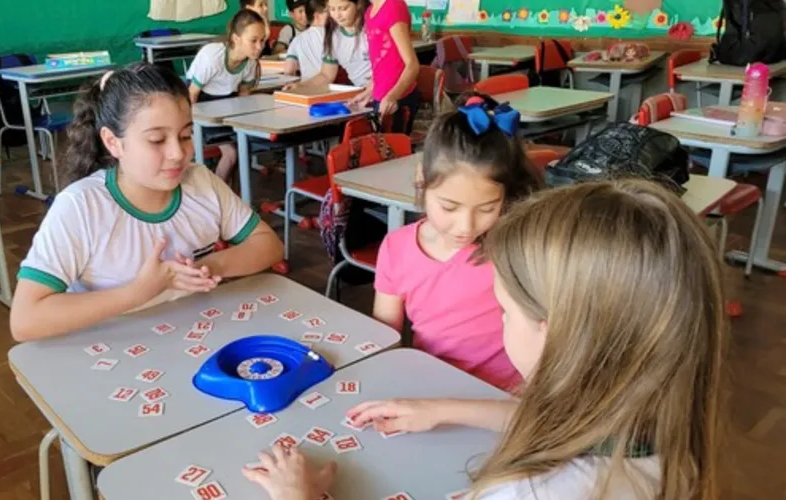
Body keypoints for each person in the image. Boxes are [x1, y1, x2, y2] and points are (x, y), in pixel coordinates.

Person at [243, 179, 727, 500]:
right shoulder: (660, 420)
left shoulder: (533, 492)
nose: (499, 323)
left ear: (557, 332)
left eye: (505, 310)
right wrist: (447, 409)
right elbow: (569, 426)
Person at [10, 63, 283, 341]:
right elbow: (25, 320)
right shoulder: (80, 206)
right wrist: (139, 292)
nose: (178, 153)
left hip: (188, 334)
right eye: (156, 140)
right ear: (113, 142)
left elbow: (269, 245)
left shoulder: (202, 183)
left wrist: (210, 267)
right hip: (110, 345)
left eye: (186, 135)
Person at [374, 98, 542, 392]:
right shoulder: (395, 248)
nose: (466, 227)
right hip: (434, 389)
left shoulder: (511, 250)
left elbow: (543, 341)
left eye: (488, 208)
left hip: (506, 394)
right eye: (450, 207)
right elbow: (383, 335)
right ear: (422, 180)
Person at [186, 9, 266, 182]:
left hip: (227, 108)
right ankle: (217, 195)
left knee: (240, 149)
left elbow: (244, 96)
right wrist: (189, 128)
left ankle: (228, 193)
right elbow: (191, 94)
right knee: (232, 153)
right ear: (236, 38)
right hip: (199, 108)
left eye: (262, 40)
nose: (259, 47)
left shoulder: (251, 63)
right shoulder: (212, 56)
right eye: (253, 40)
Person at [349, 0, 420, 134]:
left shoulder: (393, 6)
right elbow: (382, 62)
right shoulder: (370, 11)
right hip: (382, 97)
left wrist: (392, 96)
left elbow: (412, 65)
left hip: (398, 98)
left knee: (394, 153)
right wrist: (369, 91)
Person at [282, 0, 372, 91]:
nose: (337, 15)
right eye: (332, 9)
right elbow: (326, 75)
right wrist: (300, 86)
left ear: (358, 4)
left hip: (379, 91)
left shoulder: (370, 27)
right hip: (362, 91)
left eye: (343, 9)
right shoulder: (333, 35)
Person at [284, 0, 327, 80]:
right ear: (317, 15)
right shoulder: (331, 36)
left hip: (306, 86)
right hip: (333, 87)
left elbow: (289, 70)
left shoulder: (297, 40)